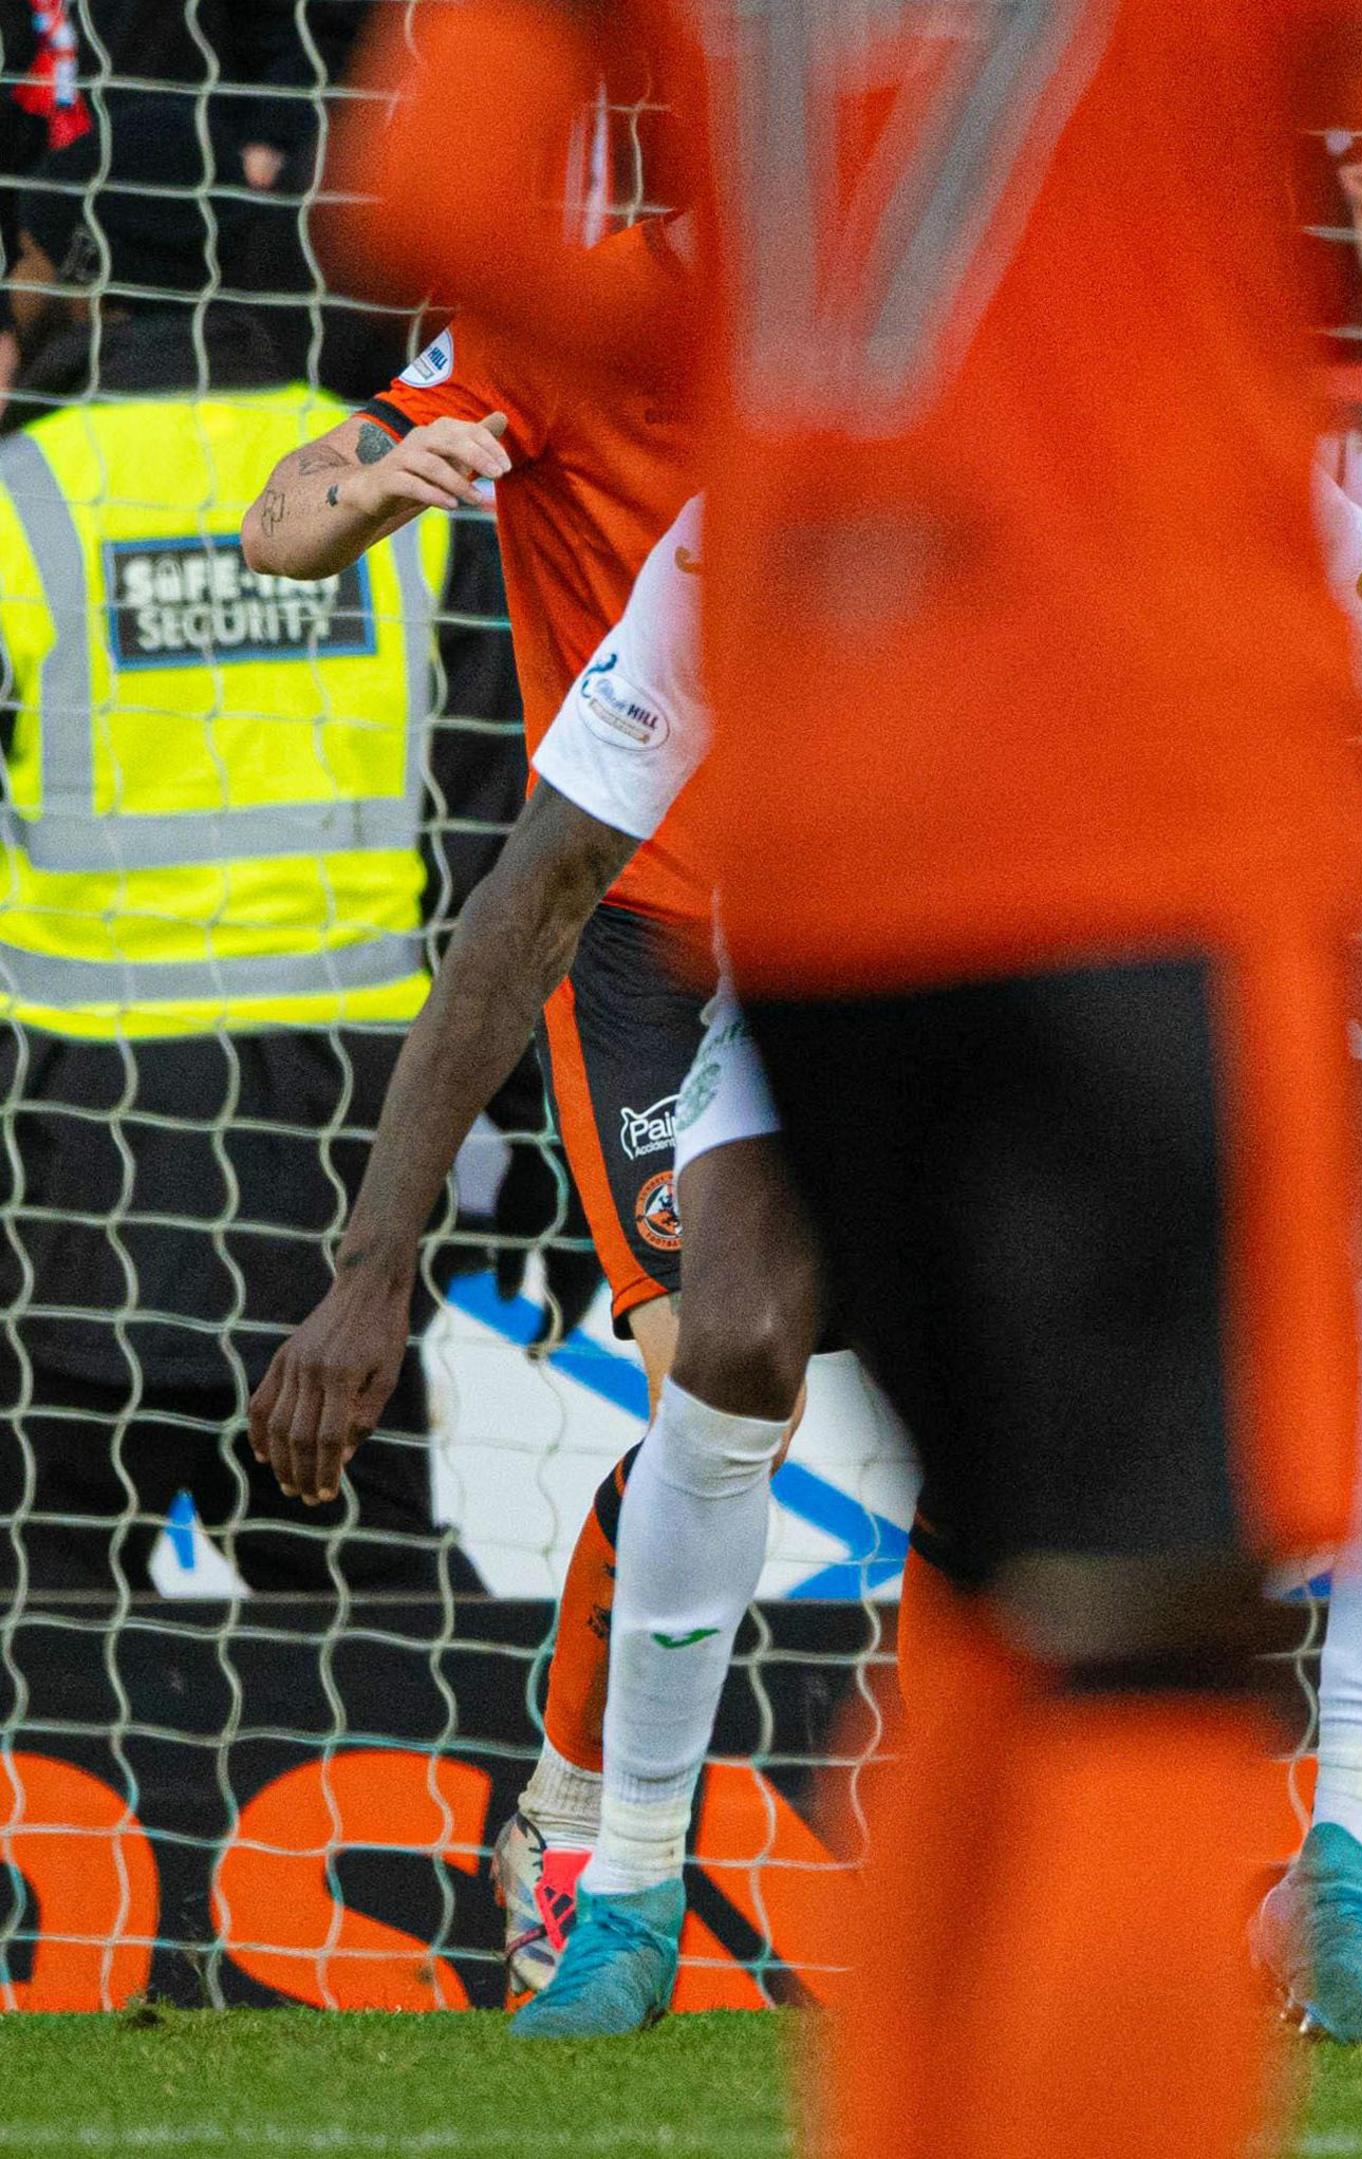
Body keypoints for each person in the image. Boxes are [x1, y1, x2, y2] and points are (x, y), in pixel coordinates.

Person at [337, 3, 1362, 2154]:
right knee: (1061, 1555)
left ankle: (1340, 1862)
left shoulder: (796, 439)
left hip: (853, 913)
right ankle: (634, 1880)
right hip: (1120, 886)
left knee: (1352, 1309)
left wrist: (710, 325)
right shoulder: (1173, 383)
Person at [237, 216, 702, 1999]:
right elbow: (285, 518)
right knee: (700, 1386)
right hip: (640, 927)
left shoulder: (925, 307)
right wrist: (371, 488)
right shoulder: (564, 312)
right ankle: (577, 1823)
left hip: (877, 909)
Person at [0, 288, 465, 1599]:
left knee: (44, 1685)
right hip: (342, 1182)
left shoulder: (28, 486)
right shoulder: (384, 471)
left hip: (73, 1183)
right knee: (371, 1669)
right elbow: (494, 823)